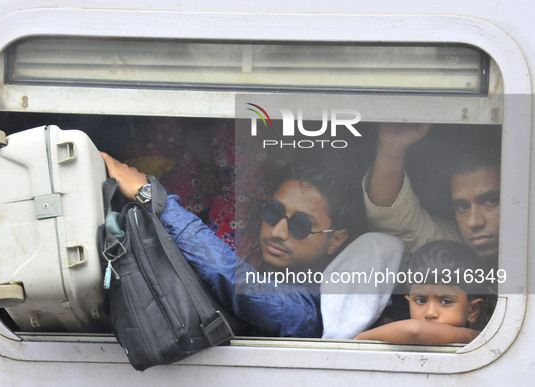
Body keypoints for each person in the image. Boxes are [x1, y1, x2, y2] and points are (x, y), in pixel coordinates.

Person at [100, 152, 404, 339]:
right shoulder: (255, 262)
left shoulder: (310, 310)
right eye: (272, 213)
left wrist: (154, 199)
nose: (279, 232)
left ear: (335, 239)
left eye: (301, 225)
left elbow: (235, 280)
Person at [364, 123, 500, 265]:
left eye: (491, 201)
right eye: (463, 207)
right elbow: (397, 222)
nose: (474, 222)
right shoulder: (458, 246)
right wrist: (391, 149)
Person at [354, 240, 486, 345]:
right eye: (421, 301)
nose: (430, 313)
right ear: (409, 302)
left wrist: (362, 337)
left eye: (445, 301)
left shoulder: (474, 338)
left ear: (472, 310)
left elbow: (415, 331)